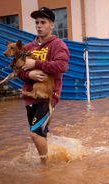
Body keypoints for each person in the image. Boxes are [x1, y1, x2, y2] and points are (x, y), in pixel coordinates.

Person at [18, 7, 69, 164]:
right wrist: (29, 74)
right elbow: (17, 69)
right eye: (37, 22)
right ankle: (60, 155)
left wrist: (36, 63)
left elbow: (61, 66)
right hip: (30, 97)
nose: (39, 25)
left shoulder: (58, 45)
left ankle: (45, 169)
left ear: (52, 24)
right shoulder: (27, 48)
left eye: (43, 22)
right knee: (40, 133)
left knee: (35, 134)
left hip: (48, 97)